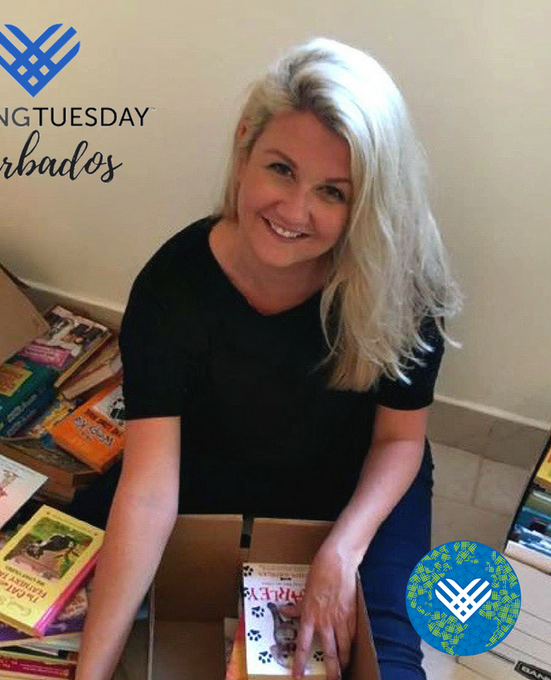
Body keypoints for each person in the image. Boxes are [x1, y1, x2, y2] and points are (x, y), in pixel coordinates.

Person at [75, 37, 461, 680]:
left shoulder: (403, 283)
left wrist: (342, 550)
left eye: (333, 192)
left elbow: (400, 440)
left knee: (390, 663)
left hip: (357, 485)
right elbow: (148, 491)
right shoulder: (174, 286)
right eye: (281, 169)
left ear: (366, 200)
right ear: (245, 144)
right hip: (213, 466)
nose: (293, 211)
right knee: (66, 594)